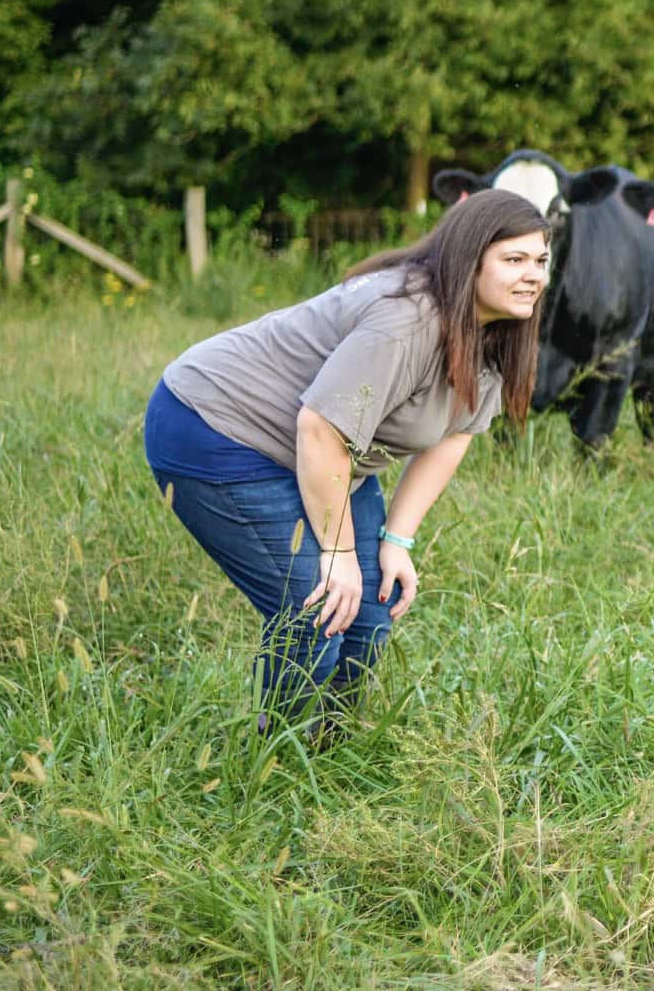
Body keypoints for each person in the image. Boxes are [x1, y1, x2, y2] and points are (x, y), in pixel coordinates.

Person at [144, 189, 547, 736]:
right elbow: (320, 427)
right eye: (514, 260)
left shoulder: (498, 327)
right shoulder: (407, 320)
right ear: (469, 258)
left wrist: (397, 541)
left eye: (541, 260)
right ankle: (278, 760)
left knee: (373, 605)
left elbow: (455, 432)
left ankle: (329, 748)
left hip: (327, 453)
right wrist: (335, 552)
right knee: (318, 607)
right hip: (216, 427)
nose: (533, 276)